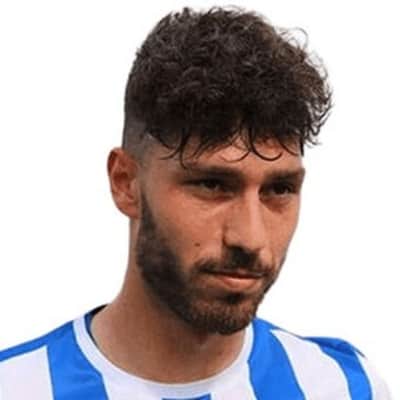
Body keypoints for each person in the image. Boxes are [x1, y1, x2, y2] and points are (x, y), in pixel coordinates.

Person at [0, 6, 392, 399]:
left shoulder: (343, 387)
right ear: (126, 183)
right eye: (212, 185)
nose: (250, 238)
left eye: (279, 190)